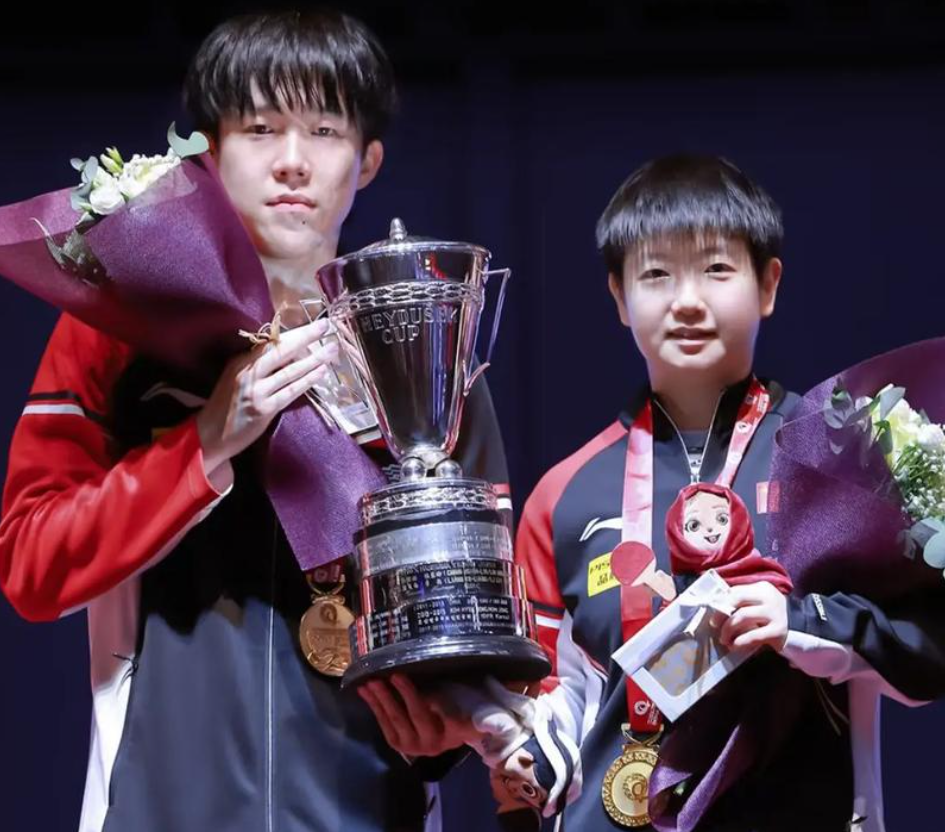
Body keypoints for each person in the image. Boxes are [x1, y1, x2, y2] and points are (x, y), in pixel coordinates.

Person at [0, 10, 508, 832]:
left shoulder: (425, 348)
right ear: (208, 152)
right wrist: (204, 443)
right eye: (260, 129)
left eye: (325, 130)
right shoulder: (114, 332)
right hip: (161, 805)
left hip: (367, 809)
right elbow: (31, 564)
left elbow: (480, 609)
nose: (292, 161)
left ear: (367, 160)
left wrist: (446, 732)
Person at [368, 154, 945, 832]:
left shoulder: (842, 461)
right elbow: (561, 703)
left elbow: (927, 652)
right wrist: (486, 727)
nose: (687, 300)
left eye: (716, 269)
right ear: (618, 297)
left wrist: (802, 623)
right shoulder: (565, 496)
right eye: (656, 274)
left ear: (768, 284)